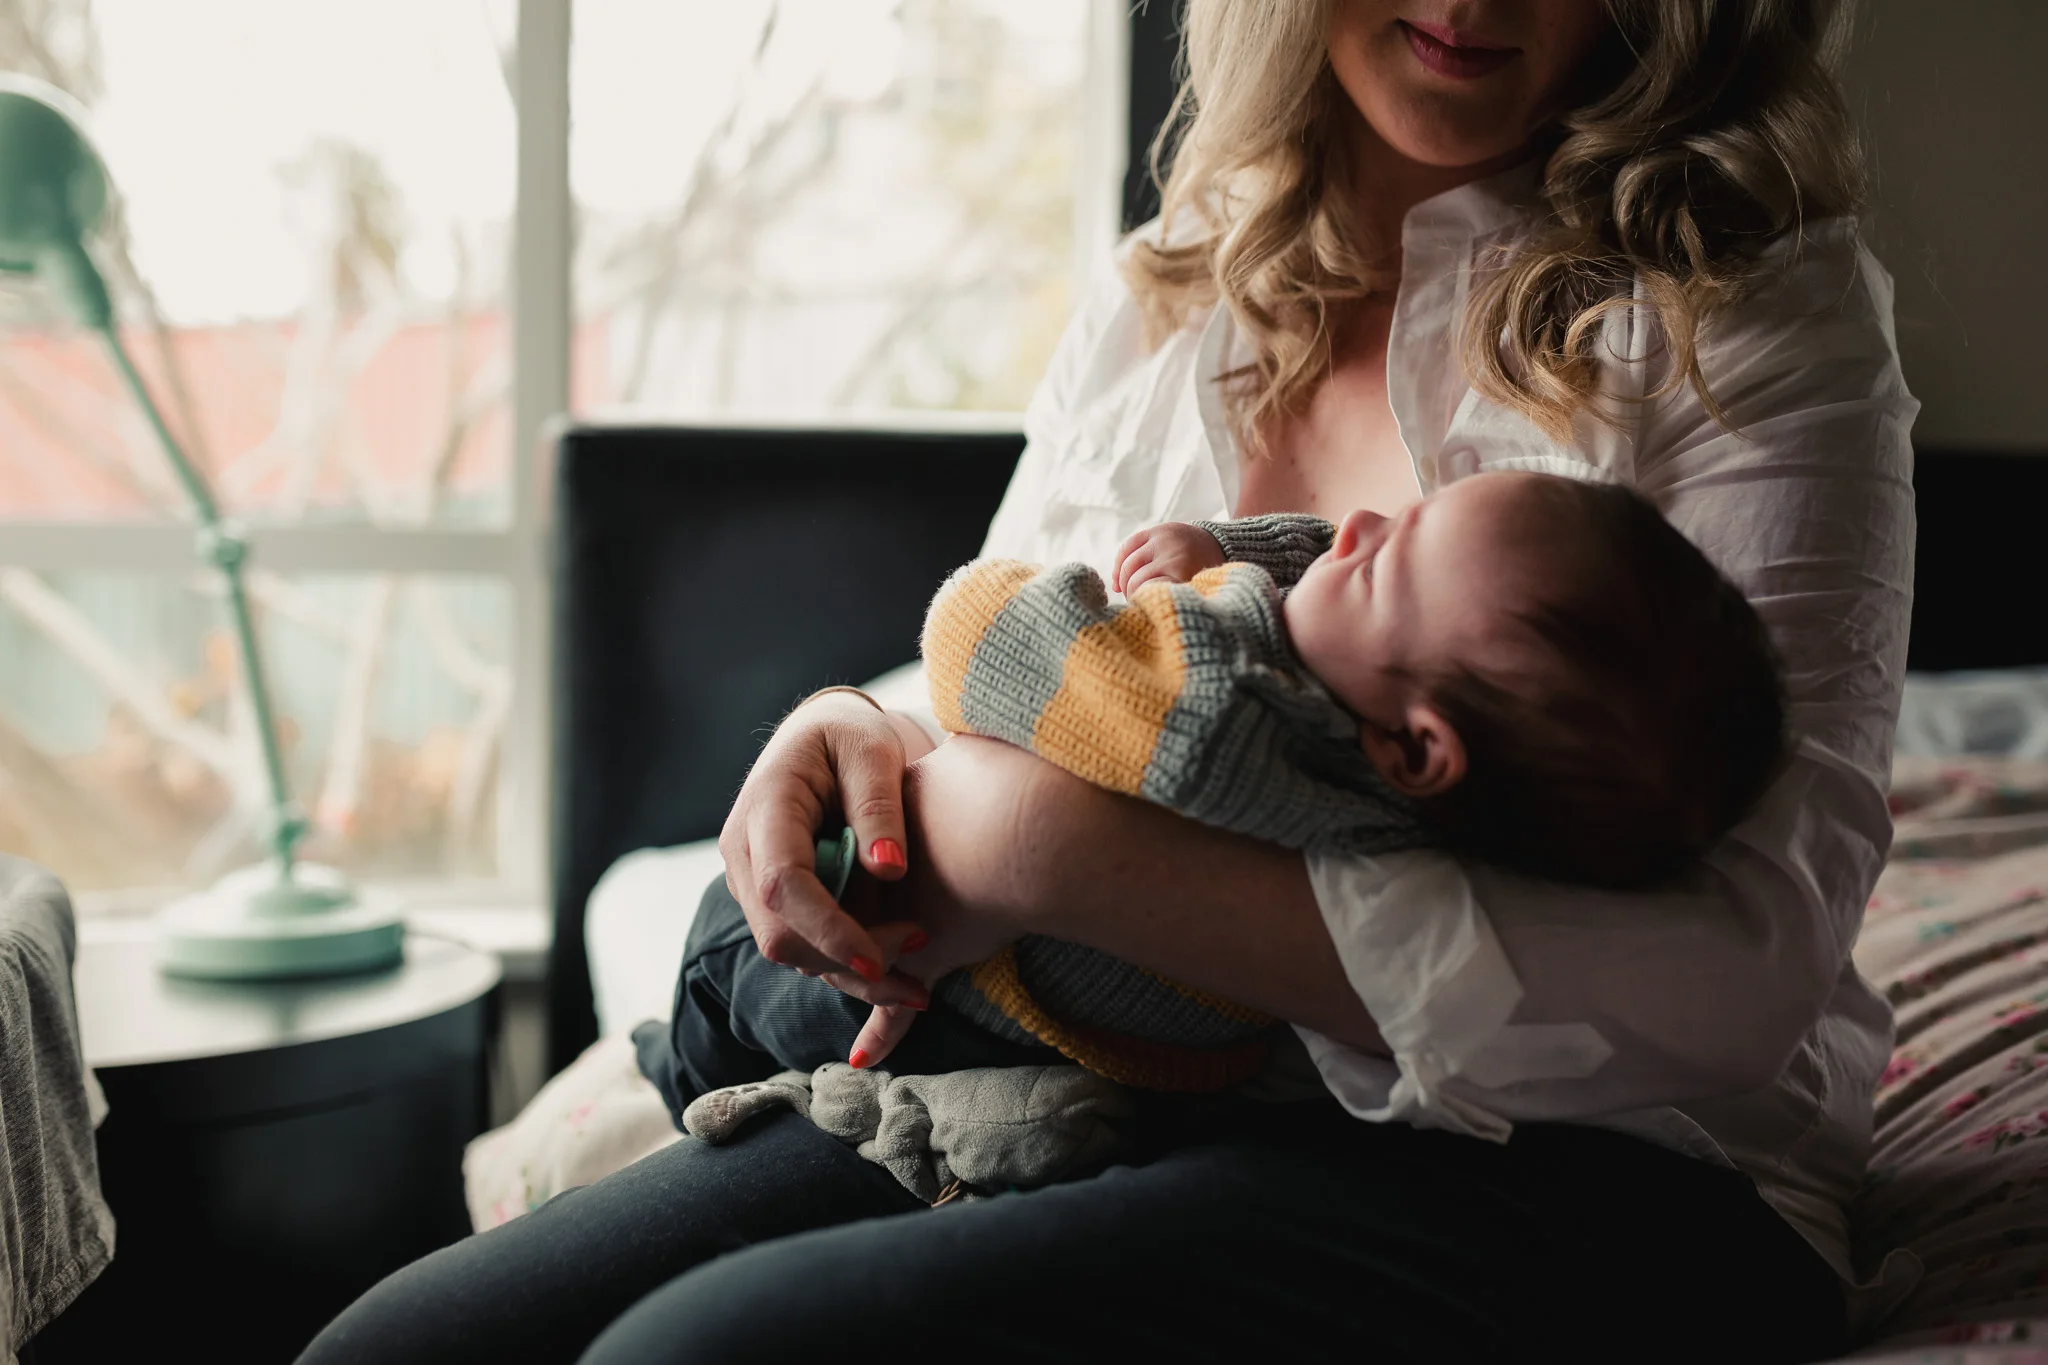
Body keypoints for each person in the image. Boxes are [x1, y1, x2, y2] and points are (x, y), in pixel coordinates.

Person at [300, 1, 1913, 1361]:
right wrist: (852, 723)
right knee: (400, 1349)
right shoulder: (1173, 286)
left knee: (701, 1354)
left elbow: (1744, 966)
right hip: (1087, 1078)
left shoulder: (1744, 307)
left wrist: (1048, 854)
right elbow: (1029, 648)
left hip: (1580, 1168)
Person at [635, 472, 1790, 1105]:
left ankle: (673, 1067)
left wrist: (1191, 584)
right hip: (1063, 1033)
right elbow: (1317, 594)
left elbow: (976, 641)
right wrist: (1229, 555)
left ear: (1417, 747)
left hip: (917, 973)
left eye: (1383, 556)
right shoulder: (1398, 805)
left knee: (714, 995)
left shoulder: (1209, 719)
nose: (1354, 525)